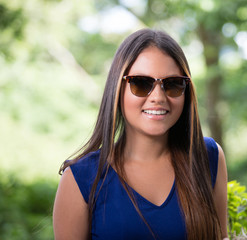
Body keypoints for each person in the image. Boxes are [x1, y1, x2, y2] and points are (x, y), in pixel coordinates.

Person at [53, 28, 228, 240]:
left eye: (172, 84)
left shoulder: (207, 156)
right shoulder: (81, 178)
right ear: (117, 89)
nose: (158, 97)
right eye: (141, 83)